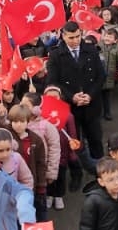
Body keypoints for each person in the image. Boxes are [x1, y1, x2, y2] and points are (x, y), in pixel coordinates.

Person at [45, 22, 106, 160]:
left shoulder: (91, 50)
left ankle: (101, 168)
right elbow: (53, 82)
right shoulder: (55, 55)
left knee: (95, 139)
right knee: (75, 141)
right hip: (70, 107)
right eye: (71, 38)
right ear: (63, 36)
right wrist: (72, 96)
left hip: (91, 104)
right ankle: (79, 168)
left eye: (78, 36)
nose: (76, 40)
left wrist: (90, 95)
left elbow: (100, 76)